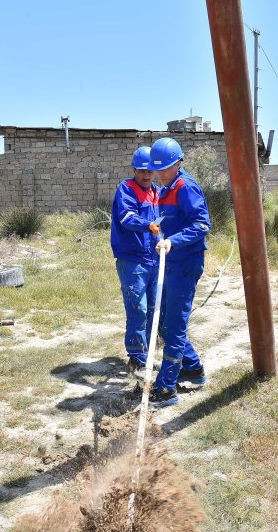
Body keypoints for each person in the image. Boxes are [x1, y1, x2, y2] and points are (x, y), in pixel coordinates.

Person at [148, 137, 210, 408]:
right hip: (171, 261)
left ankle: (166, 388)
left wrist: (174, 241)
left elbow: (201, 224)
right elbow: (172, 219)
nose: (160, 174)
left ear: (179, 163)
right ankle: (193, 369)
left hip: (186, 263)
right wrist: (158, 226)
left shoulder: (186, 187)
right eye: (157, 170)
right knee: (164, 321)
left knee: (174, 325)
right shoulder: (165, 188)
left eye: (165, 169)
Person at [110, 146, 161, 379]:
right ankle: (136, 358)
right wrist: (147, 225)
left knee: (153, 309)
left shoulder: (158, 192)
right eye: (141, 170)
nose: (146, 175)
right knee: (137, 309)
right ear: (134, 169)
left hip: (154, 258)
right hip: (132, 260)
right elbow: (127, 218)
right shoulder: (126, 189)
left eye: (150, 170)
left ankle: (148, 355)